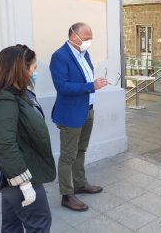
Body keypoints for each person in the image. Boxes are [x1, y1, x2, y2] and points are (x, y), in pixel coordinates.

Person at [0, 45, 56, 232]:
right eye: (33, 69)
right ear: (20, 70)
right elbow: (4, 145)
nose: (35, 73)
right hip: (20, 177)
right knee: (40, 224)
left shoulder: (18, 94)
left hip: (15, 176)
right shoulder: (4, 100)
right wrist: (24, 184)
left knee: (11, 225)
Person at [50, 22, 108, 212]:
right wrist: (91, 86)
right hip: (70, 113)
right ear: (74, 36)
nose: (89, 41)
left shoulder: (85, 54)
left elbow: (85, 79)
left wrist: (93, 84)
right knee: (68, 155)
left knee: (81, 149)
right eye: (86, 38)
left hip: (87, 109)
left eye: (90, 38)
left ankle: (80, 183)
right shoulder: (60, 56)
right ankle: (67, 195)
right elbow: (62, 87)